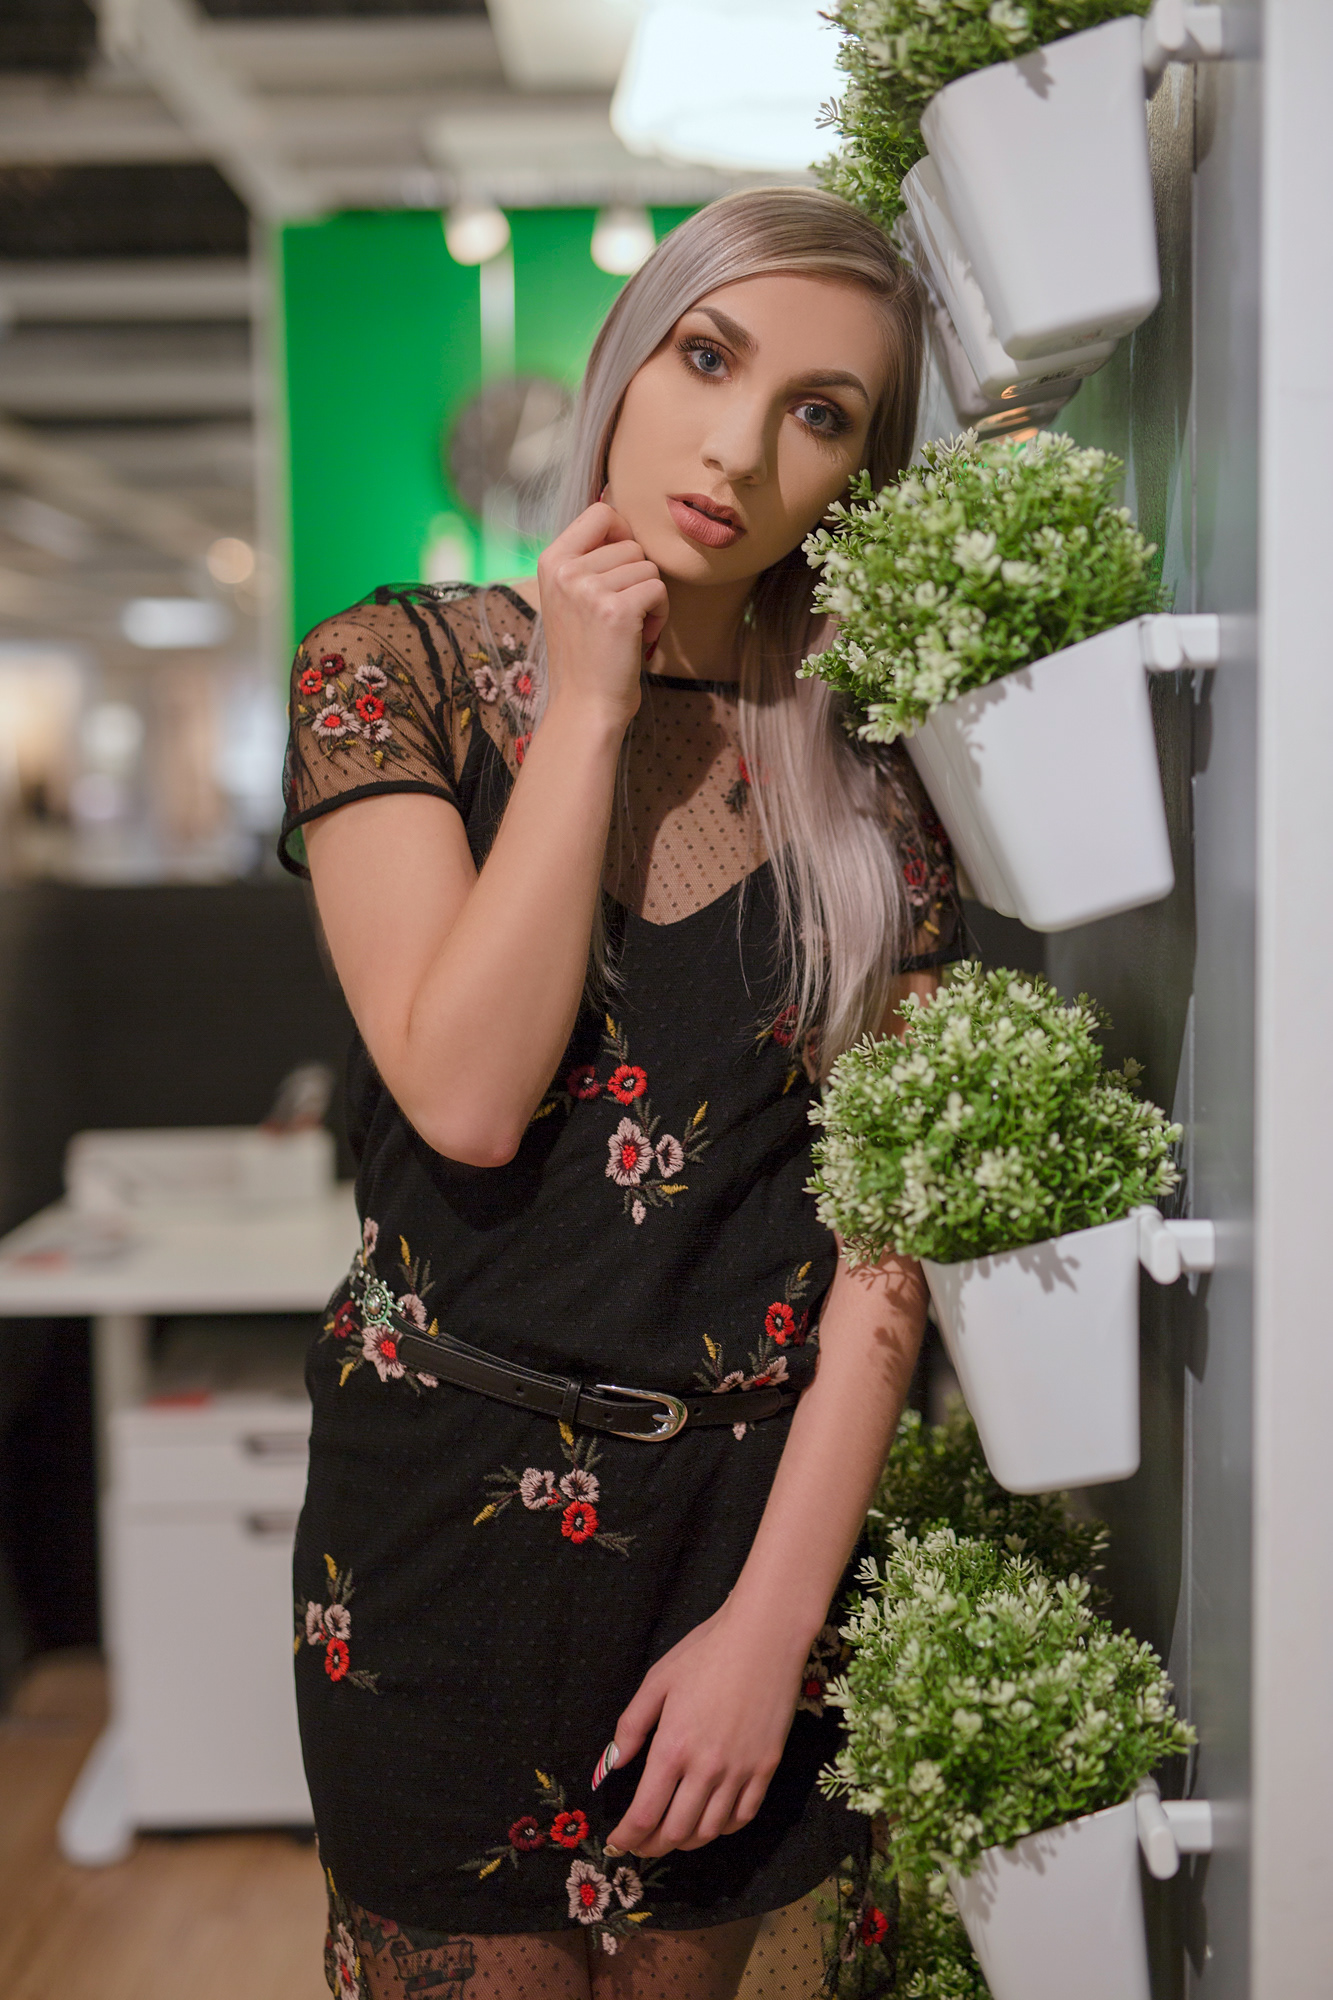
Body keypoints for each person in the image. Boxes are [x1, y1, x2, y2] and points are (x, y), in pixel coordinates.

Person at [279, 186, 962, 2000]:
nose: (736, 449)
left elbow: (887, 1247)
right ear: (625, 361)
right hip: (437, 1533)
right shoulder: (391, 675)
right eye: (708, 358)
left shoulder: (879, 779)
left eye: (819, 412)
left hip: (745, 1544)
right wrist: (582, 708)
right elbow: (469, 1097)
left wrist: (772, 1631)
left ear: (860, 475)